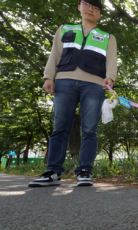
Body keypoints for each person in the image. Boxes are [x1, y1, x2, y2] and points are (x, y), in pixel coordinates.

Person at [29, 0, 117, 187]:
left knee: (89, 129)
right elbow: (55, 54)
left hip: (94, 85)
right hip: (64, 81)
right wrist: (48, 77)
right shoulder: (64, 29)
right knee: (60, 127)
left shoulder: (107, 36)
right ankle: (52, 171)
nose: (91, 9)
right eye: (87, 4)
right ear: (79, 7)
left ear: (100, 14)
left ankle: (85, 170)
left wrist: (110, 78)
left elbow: (111, 60)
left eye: (96, 7)